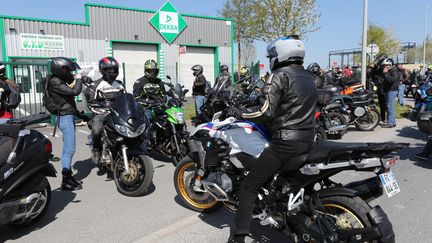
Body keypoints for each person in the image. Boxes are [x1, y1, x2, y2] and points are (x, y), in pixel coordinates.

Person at [227, 35, 317, 243]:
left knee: (249, 186)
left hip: (285, 142)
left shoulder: (279, 75)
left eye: (272, 56)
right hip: (308, 139)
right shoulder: (308, 76)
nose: (271, 60)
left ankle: (238, 237)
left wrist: (239, 113)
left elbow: (266, 112)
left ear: (279, 55)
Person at [48, 57, 83, 190]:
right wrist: (79, 79)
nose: (69, 73)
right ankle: (66, 180)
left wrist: (80, 115)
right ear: (60, 69)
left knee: (66, 150)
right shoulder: (55, 82)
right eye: (67, 70)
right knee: (70, 149)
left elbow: (67, 99)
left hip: (67, 116)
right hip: (65, 117)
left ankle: (67, 176)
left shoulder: (57, 80)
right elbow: (75, 92)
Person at [83, 57, 125, 168]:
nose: (112, 72)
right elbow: (90, 101)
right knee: (96, 129)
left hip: (117, 113)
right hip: (102, 113)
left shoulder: (120, 84)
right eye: (109, 70)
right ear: (103, 70)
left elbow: (126, 98)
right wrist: (99, 108)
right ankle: (97, 150)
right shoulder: (96, 85)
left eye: (114, 69)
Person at [380, 58, 402, 128]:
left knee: (390, 107)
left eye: (386, 65)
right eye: (384, 66)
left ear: (390, 65)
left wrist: (386, 73)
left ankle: (390, 123)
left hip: (392, 90)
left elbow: (391, 80)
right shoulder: (390, 71)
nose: (384, 67)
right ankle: (393, 122)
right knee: (390, 106)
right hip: (388, 90)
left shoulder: (394, 71)